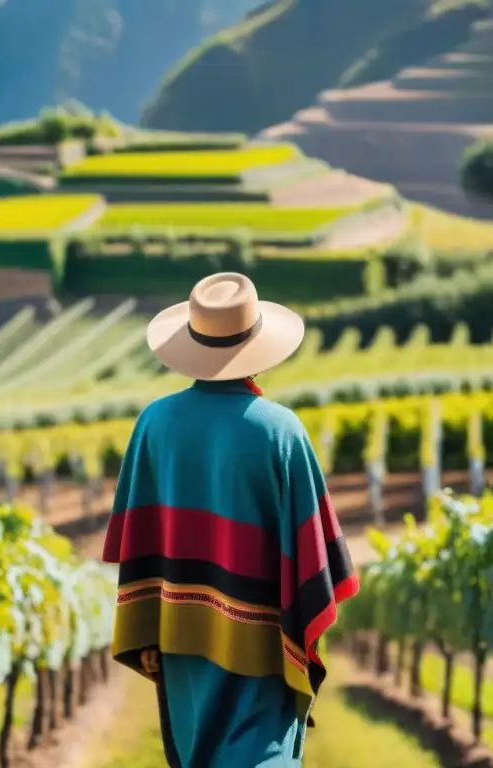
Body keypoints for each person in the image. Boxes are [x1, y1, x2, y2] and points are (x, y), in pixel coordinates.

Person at [102, 272, 359, 767]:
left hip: (180, 636)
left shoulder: (153, 423)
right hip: (263, 640)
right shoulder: (280, 430)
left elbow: (137, 548)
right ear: (258, 344)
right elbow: (316, 552)